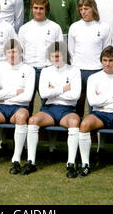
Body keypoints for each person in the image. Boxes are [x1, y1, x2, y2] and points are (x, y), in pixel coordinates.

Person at [20, 41, 81, 178]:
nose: (55, 59)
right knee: (33, 120)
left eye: (58, 56)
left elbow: (75, 96)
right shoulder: (46, 71)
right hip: (49, 109)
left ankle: (70, 164)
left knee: (74, 123)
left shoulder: (74, 70)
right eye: (53, 57)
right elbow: (43, 93)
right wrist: (63, 89)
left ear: (65, 55)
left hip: (67, 109)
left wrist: (53, 89)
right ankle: (31, 161)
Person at [0, 39, 35, 173]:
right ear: (5, 53)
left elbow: (27, 97)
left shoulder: (29, 69)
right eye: (9, 52)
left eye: (14, 52)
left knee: (21, 117)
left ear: (20, 52)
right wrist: (15, 91)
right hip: (1, 108)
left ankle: (16, 160)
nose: (12, 55)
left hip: (20, 108)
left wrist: (5, 94)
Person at [78, 46, 113, 179]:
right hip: (99, 114)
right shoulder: (93, 78)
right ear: (101, 61)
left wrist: (102, 100)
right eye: (105, 60)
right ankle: (85, 164)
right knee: (85, 124)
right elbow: (92, 102)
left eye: (110, 60)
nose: (107, 64)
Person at [18, 0, 64, 116]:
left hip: (48, 71)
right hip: (29, 70)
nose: (38, 11)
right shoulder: (24, 28)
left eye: (41, 8)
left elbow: (60, 52)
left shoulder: (55, 28)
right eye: (35, 8)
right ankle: (25, 130)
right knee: (25, 103)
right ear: (32, 8)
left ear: (46, 10)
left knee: (49, 104)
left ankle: (47, 134)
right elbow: (19, 53)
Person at [68, 0, 112, 118]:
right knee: (77, 105)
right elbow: (71, 51)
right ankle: (77, 133)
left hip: (97, 71)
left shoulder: (104, 27)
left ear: (93, 8)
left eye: (86, 9)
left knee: (96, 106)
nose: (83, 12)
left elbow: (106, 50)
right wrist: (76, 66)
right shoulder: (74, 27)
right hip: (78, 71)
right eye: (81, 9)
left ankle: (93, 135)